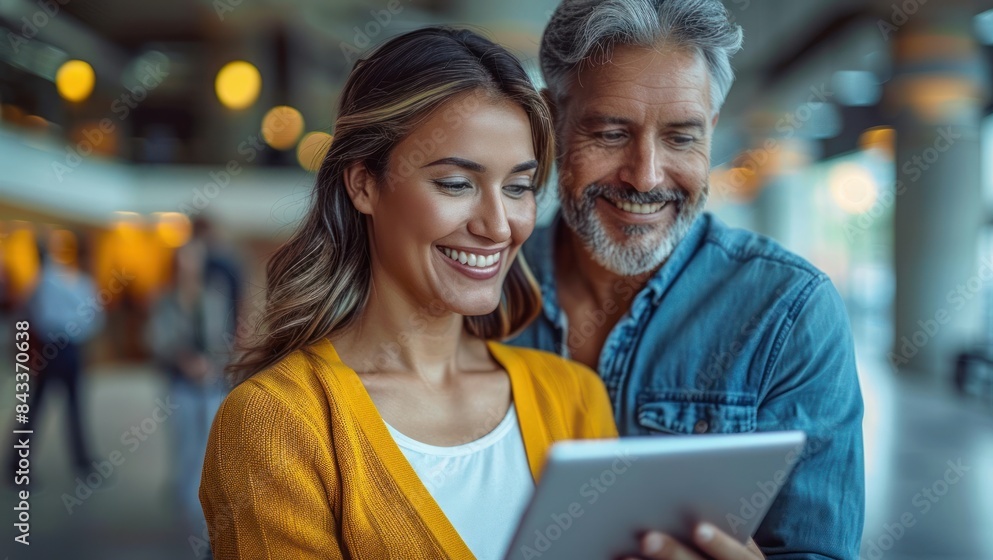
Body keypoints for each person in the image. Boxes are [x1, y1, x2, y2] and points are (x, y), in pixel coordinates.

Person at [199, 27, 618, 560]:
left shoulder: (574, 397)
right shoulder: (277, 423)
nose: (498, 226)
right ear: (364, 185)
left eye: (518, 188)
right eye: (455, 184)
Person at [510, 1, 865, 558]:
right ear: (552, 120)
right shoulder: (479, 287)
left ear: (712, 130)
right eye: (609, 133)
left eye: (680, 138)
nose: (646, 176)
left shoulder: (791, 313)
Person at [147, 239, 232, 534]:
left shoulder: (213, 298)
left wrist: (211, 364)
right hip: (179, 382)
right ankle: (186, 504)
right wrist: (183, 360)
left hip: (211, 382)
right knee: (184, 442)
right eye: (184, 260)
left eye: (193, 259)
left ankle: (206, 502)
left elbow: (224, 339)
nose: (188, 266)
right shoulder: (164, 300)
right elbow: (157, 341)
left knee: (210, 444)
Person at [7, 230, 102, 483]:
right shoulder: (46, 282)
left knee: (70, 407)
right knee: (37, 408)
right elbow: (47, 318)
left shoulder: (72, 281)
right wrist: (75, 321)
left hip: (68, 349)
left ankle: (81, 462)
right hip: (52, 350)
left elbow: (92, 318)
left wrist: (72, 323)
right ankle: (18, 466)